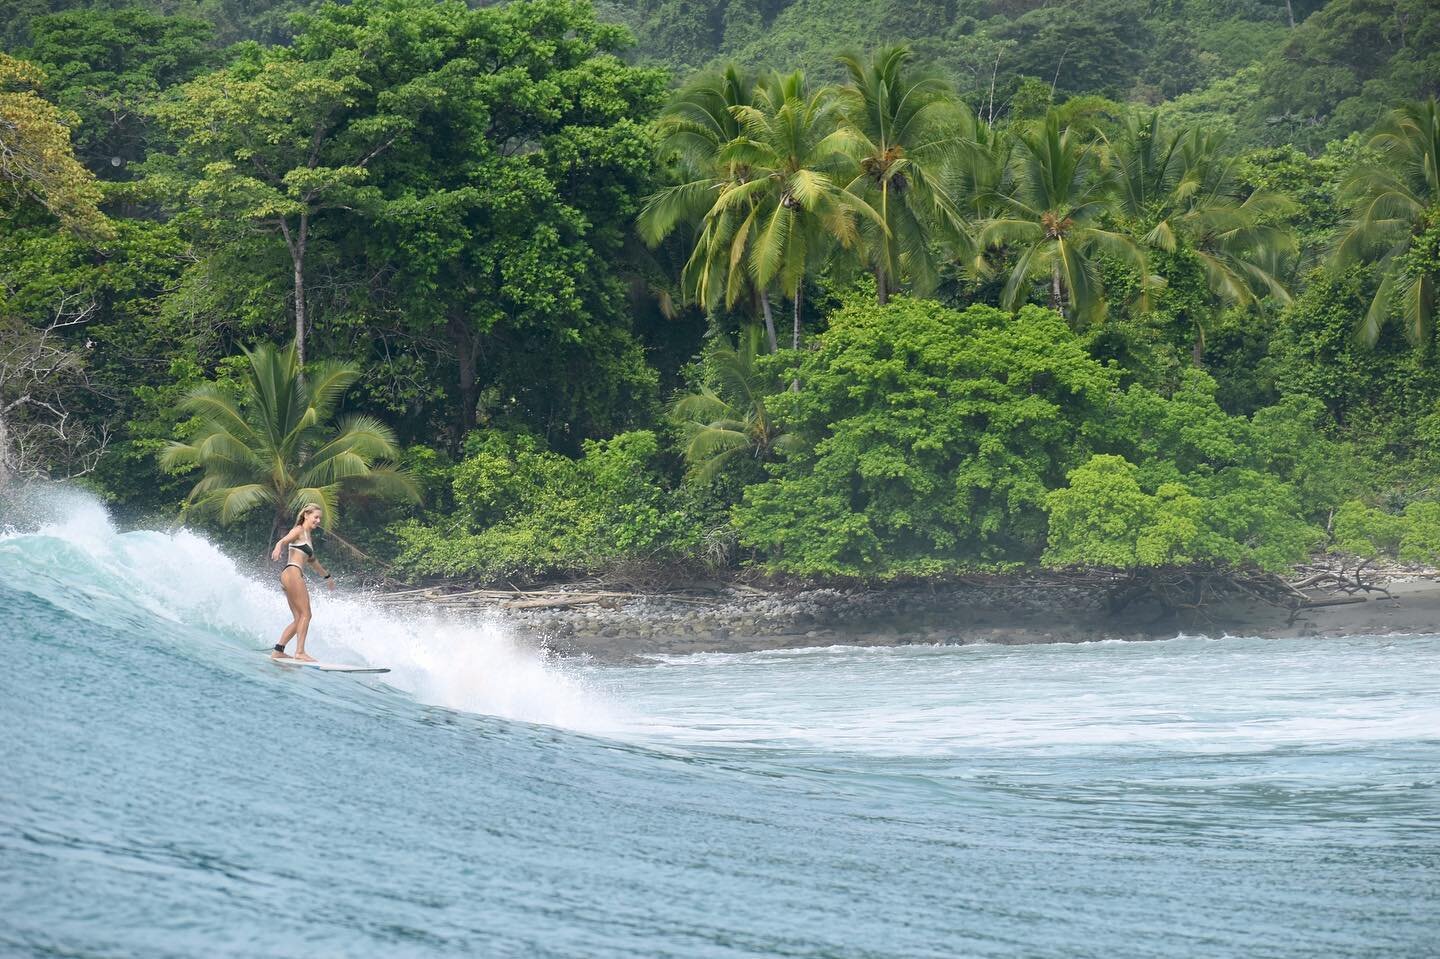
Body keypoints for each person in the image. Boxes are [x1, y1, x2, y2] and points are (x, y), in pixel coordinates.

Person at [269, 503, 335, 660]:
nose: (318, 520)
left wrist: (327, 577)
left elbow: (313, 562)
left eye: (320, 518)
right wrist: (278, 547)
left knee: (299, 618)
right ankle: (299, 652)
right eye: (316, 517)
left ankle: (278, 650)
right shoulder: (298, 530)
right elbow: (283, 541)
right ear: (306, 515)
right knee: (307, 614)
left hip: (289, 575)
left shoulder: (308, 537)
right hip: (292, 572)